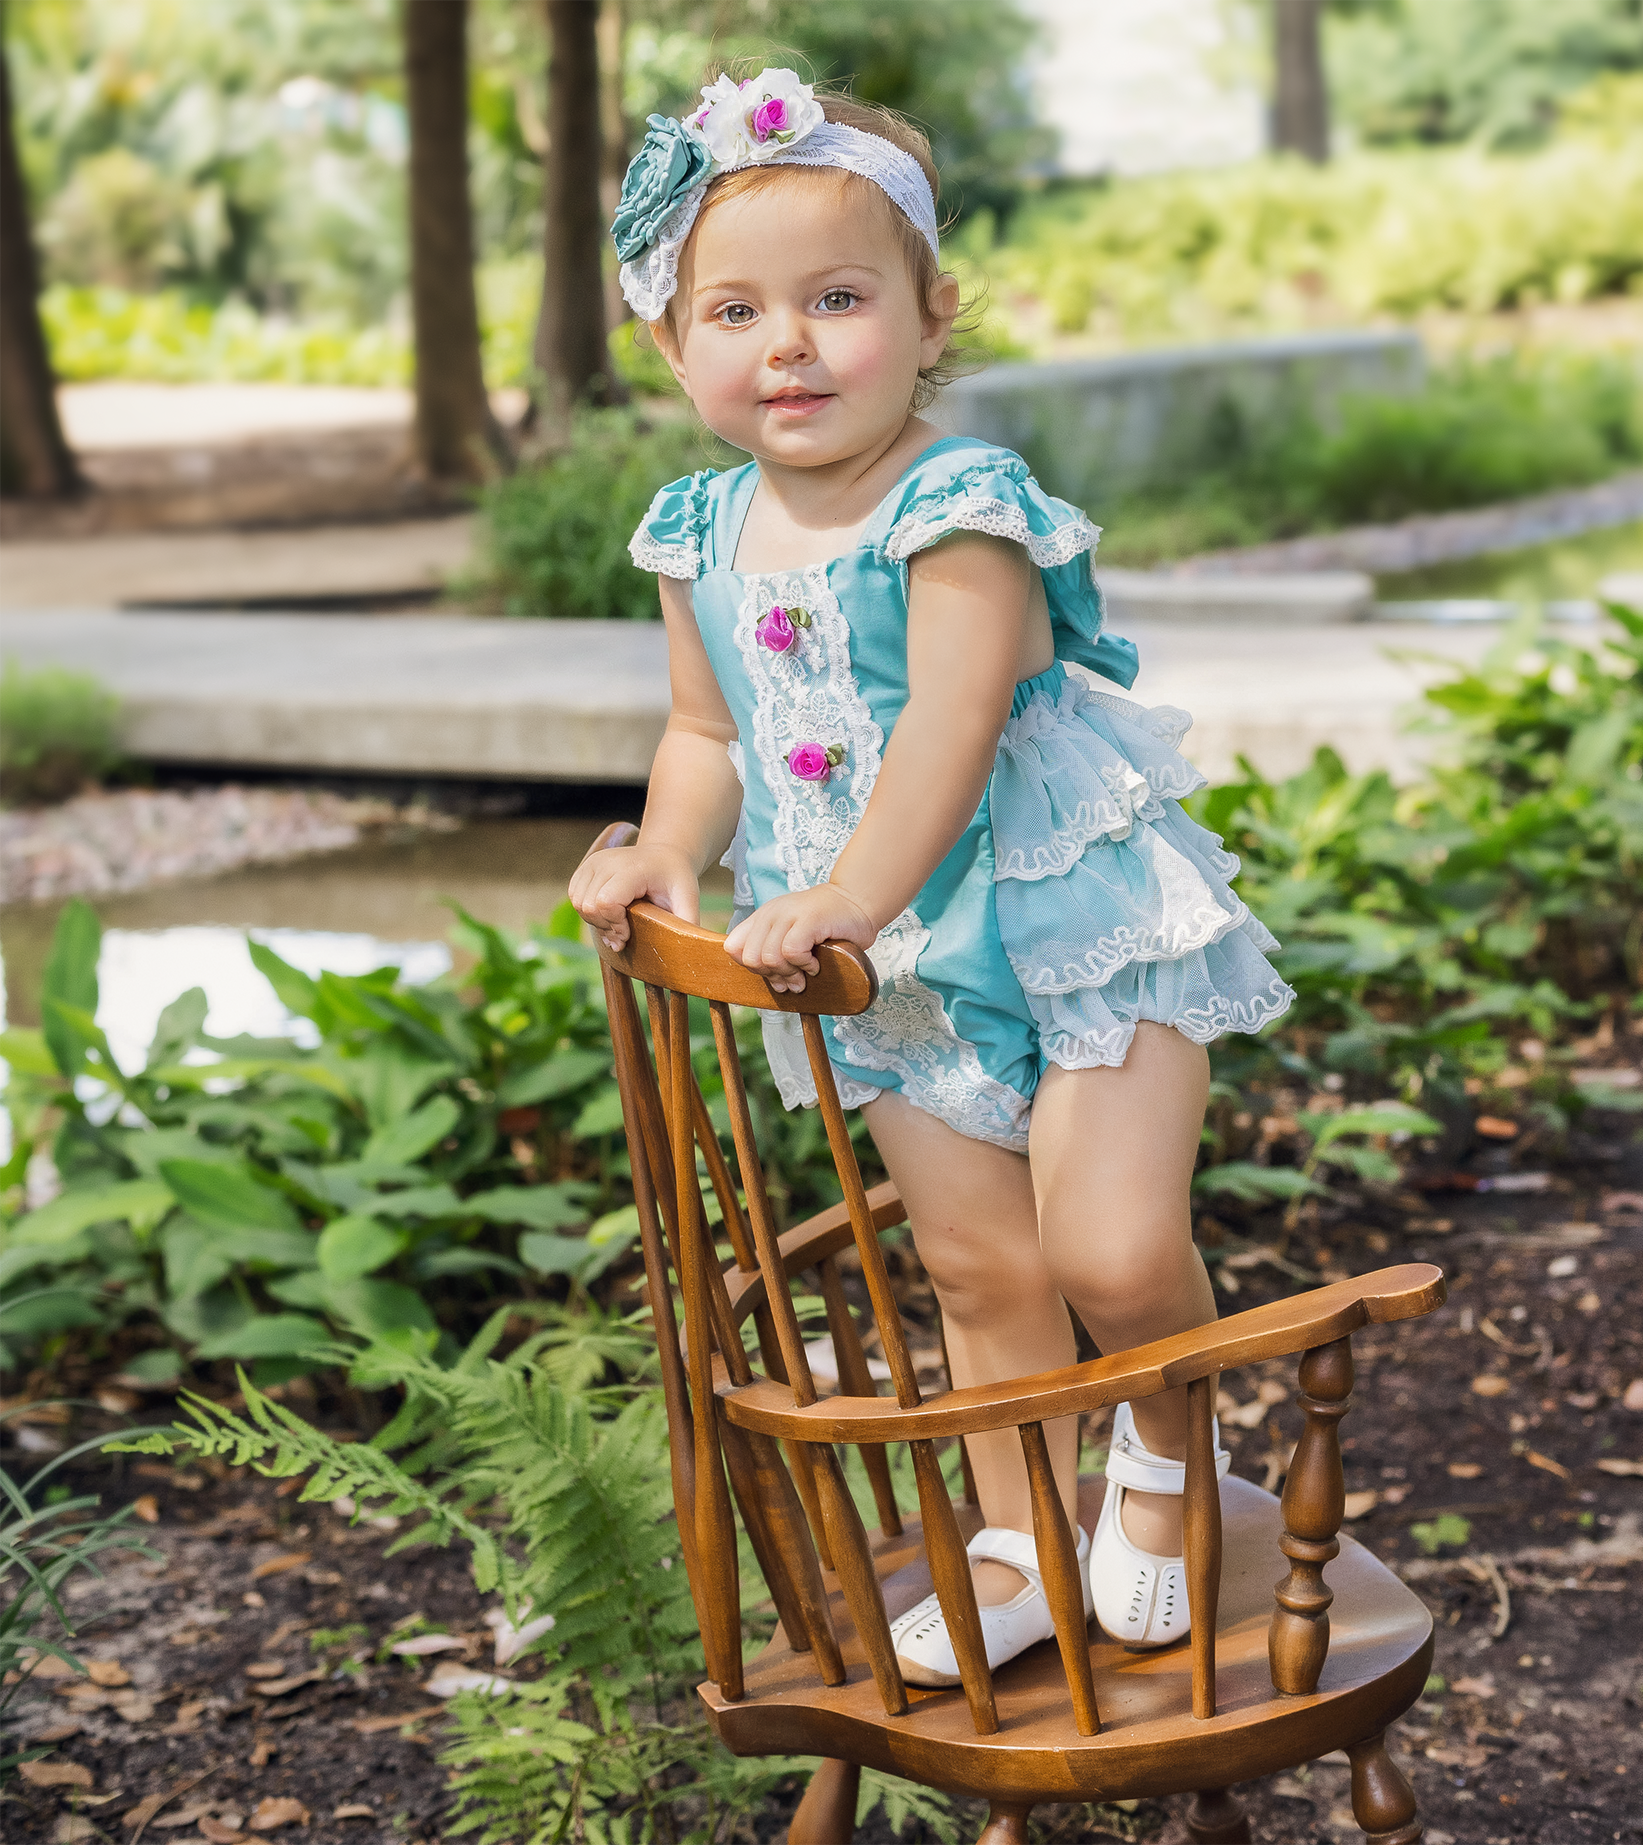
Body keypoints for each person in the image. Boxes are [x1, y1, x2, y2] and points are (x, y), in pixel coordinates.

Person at [569, 70, 1294, 1687]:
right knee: (980, 1267)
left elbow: (956, 729)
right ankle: (1022, 1529)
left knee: (1107, 1248)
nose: (792, 346)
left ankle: (1170, 1455)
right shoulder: (696, 532)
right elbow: (706, 730)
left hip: (1057, 913)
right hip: (882, 969)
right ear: (673, 347)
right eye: (735, 310)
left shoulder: (956, 508)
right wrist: (674, 846)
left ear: (927, 313)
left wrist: (845, 895)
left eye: (840, 299)